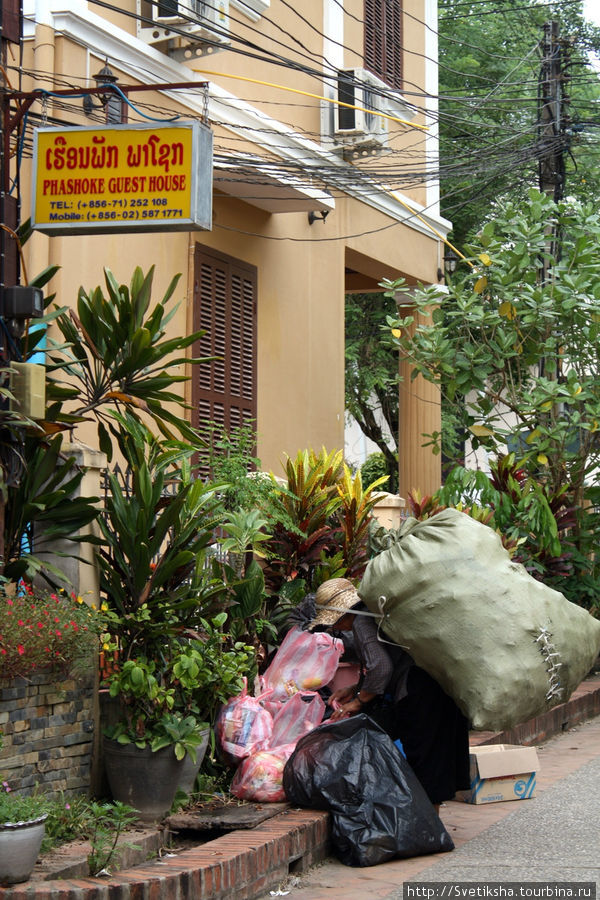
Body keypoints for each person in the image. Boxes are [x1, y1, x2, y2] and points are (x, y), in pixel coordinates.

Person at [309, 578, 471, 814]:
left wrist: (358, 701)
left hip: (419, 688)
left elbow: (382, 668)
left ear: (340, 615)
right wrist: (354, 689)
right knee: (439, 749)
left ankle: (428, 822)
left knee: (424, 752)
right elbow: (384, 661)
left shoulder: (362, 622)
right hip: (439, 681)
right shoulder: (374, 614)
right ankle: (432, 817)